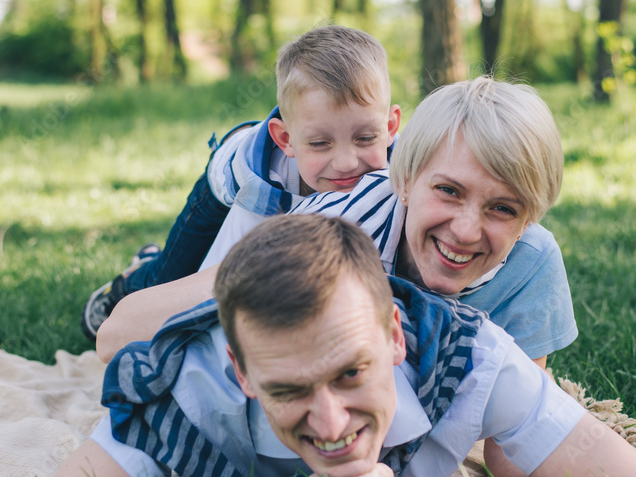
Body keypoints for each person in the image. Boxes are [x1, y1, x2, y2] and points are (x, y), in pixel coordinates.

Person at [8, 216, 636, 477]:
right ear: (242, 372)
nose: (328, 423)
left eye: (351, 373)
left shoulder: (473, 363)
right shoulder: (180, 390)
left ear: (394, 337)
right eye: (289, 389)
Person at [96, 78, 575, 477]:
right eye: (449, 191)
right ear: (404, 181)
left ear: (529, 218)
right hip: (232, 191)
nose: (467, 230)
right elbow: (117, 336)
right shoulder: (339, 222)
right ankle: (142, 268)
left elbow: (510, 451)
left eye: (504, 208)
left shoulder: (532, 264)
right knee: (169, 285)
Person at [81, 25, 401, 339]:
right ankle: (128, 282)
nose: (347, 162)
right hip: (220, 190)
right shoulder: (262, 186)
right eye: (320, 144)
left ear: (389, 126)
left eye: (365, 138)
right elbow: (226, 276)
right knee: (172, 276)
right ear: (286, 139)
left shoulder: (401, 170)